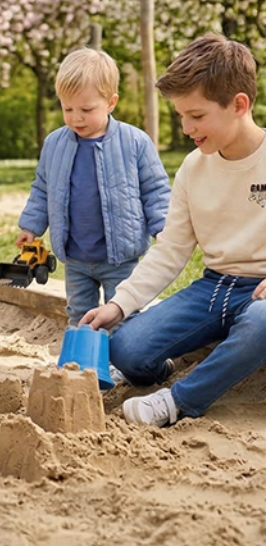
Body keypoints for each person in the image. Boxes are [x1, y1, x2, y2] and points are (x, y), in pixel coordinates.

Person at [81, 33, 266, 427]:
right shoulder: (193, 169)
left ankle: (178, 401)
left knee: (263, 321)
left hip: (262, 292)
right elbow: (170, 250)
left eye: (196, 116)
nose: (186, 128)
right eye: (181, 115)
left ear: (239, 105)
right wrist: (119, 305)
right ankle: (169, 366)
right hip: (214, 288)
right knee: (127, 350)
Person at [17, 47, 171, 339]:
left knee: (124, 313)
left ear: (111, 102)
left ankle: (123, 362)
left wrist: (164, 228)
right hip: (75, 255)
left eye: (86, 109)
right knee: (79, 313)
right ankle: (81, 364)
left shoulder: (135, 142)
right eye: (68, 109)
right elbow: (42, 188)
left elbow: (156, 190)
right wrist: (31, 226)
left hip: (120, 257)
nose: (76, 118)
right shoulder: (55, 144)